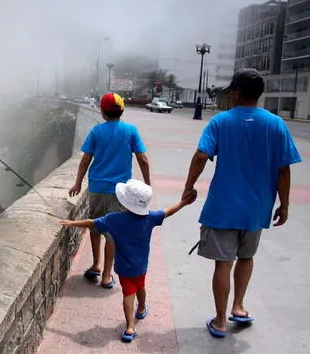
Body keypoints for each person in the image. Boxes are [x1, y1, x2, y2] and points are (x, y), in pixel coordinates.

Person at [182, 68, 302, 338]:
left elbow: (201, 156)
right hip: (257, 208)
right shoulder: (276, 124)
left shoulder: (220, 122)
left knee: (223, 263)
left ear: (236, 93)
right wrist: (284, 205)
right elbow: (284, 169)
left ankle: (221, 320)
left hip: (223, 207)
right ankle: (239, 306)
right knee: (246, 257)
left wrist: (188, 187)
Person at [62, 179, 197, 342]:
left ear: (124, 202)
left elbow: (92, 222)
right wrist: (183, 202)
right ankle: (141, 308)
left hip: (124, 268)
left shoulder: (114, 219)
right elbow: (168, 212)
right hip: (141, 266)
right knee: (141, 286)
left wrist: (71, 223)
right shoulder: (150, 217)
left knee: (128, 294)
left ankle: (130, 327)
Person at [69, 93, 151, 288]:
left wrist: (78, 183)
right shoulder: (131, 131)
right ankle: (106, 275)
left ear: (102, 111)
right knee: (113, 232)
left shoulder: (97, 131)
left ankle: (95, 264)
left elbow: (85, 160)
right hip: (120, 193)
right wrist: (147, 184)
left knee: (96, 227)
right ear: (122, 110)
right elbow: (143, 159)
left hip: (97, 187)